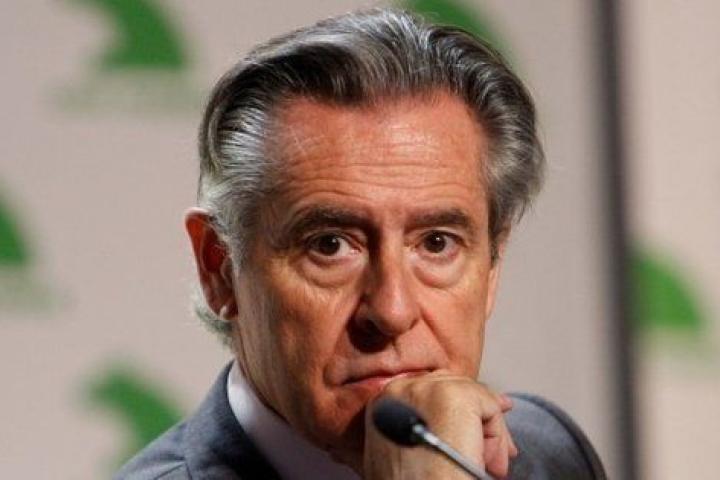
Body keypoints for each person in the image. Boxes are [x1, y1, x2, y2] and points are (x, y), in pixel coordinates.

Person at [116, 8, 606, 480]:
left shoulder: (549, 456)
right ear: (219, 267)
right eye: (330, 245)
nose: (392, 311)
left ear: (493, 267)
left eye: (437, 243)